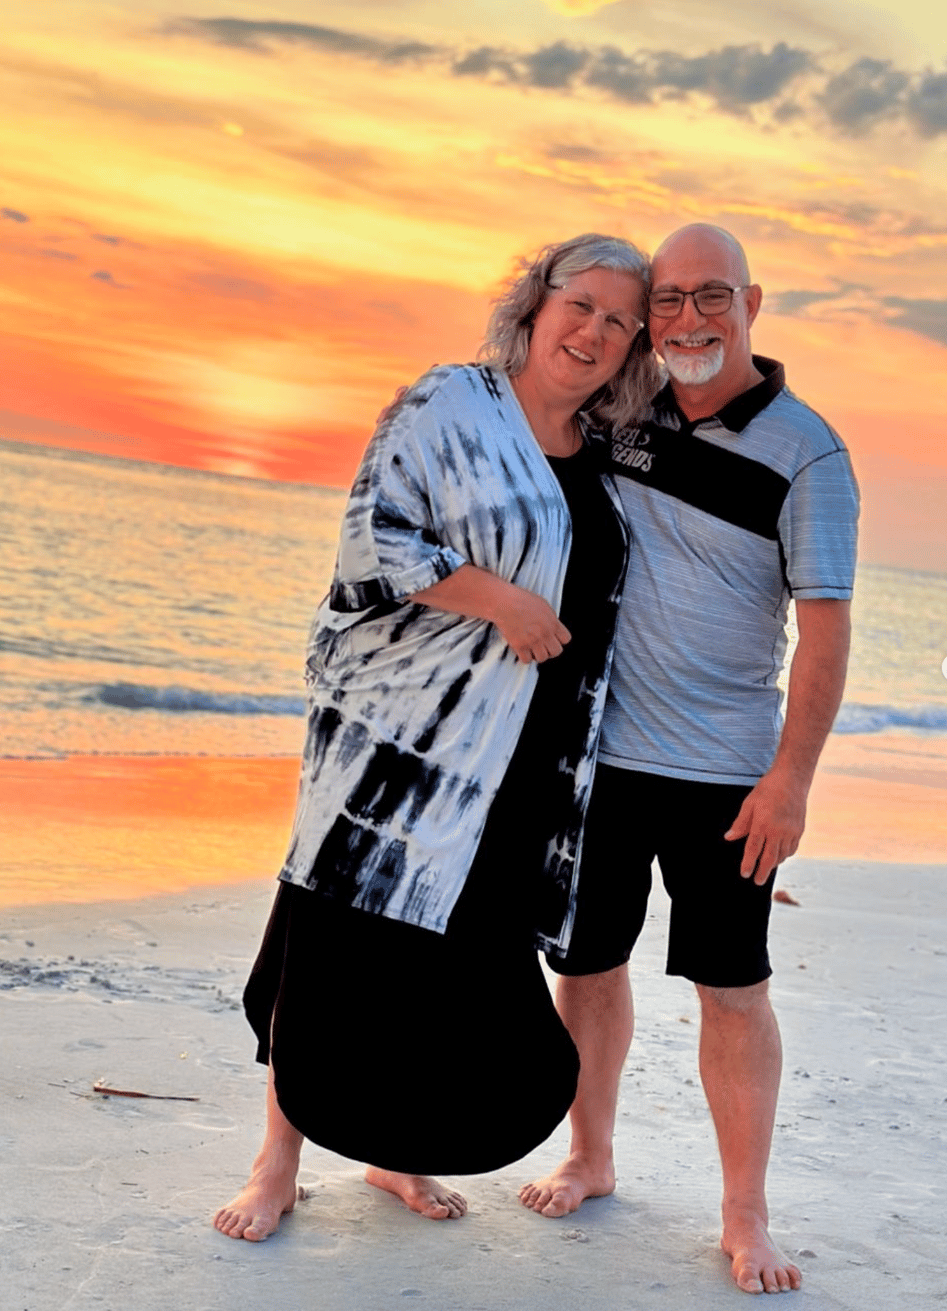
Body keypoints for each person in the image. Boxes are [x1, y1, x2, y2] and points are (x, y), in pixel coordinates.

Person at [214, 233, 662, 1242]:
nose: (591, 331)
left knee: (444, 973)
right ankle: (275, 1162)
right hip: (396, 757)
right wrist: (500, 601)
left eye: (616, 320)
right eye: (579, 304)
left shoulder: (600, 459)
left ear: (631, 345)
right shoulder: (451, 404)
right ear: (536, 302)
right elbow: (374, 539)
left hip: (518, 768)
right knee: (329, 954)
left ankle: (393, 1151)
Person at [519, 224, 860, 1296]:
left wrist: (790, 780)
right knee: (584, 966)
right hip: (601, 758)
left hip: (726, 774)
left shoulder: (808, 451)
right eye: (666, 300)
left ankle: (743, 1215)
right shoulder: (623, 408)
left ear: (750, 300)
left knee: (732, 987)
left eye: (709, 296)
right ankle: (591, 1154)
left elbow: (826, 629)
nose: (685, 320)